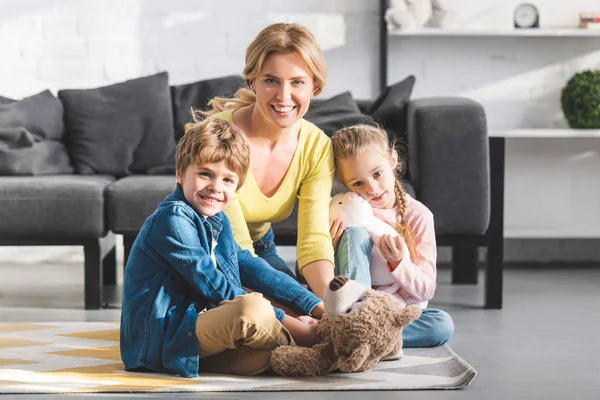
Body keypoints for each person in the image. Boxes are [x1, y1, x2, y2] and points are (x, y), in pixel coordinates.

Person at [120, 117, 324, 378]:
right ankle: (317, 344)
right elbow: (213, 284)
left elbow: (251, 267)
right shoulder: (171, 220)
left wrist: (315, 305)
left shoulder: (218, 219)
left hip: (194, 336)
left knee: (267, 355)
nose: (216, 187)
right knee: (251, 309)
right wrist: (295, 325)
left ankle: (315, 346)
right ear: (180, 174)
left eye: (228, 180)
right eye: (205, 174)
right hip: (160, 342)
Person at [202, 22, 335, 299]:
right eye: (271, 80)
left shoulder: (317, 146)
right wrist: (309, 307)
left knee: (315, 314)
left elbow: (313, 241)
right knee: (291, 315)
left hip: (261, 249)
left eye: (297, 82)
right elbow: (237, 251)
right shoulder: (219, 137)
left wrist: (332, 305)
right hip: (210, 254)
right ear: (253, 82)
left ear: (315, 86)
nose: (284, 96)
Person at [329, 123, 454, 348]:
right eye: (358, 183)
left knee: (442, 324)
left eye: (378, 174)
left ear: (393, 160)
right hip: (350, 307)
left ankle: (360, 336)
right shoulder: (346, 210)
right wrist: (332, 247)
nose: (373, 188)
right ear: (345, 184)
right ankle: (359, 327)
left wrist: (399, 263)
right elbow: (311, 274)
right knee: (356, 233)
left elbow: (426, 289)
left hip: (396, 313)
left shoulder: (419, 216)